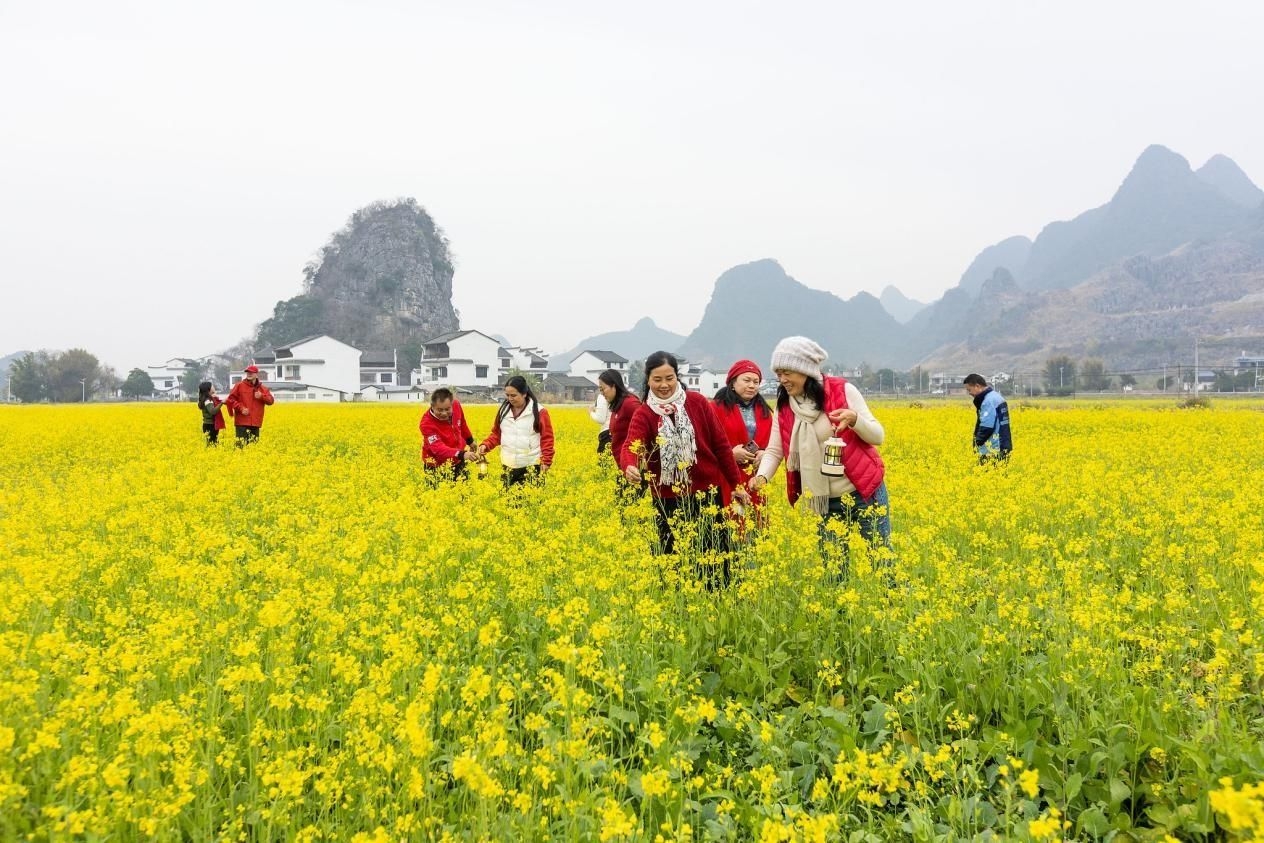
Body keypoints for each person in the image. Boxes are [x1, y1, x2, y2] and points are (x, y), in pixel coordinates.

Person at [750, 337, 891, 558]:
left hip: (863, 492)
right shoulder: (785, 407)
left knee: (880, 560)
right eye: (778, 373)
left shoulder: (843, 390)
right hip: (825, 500)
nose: (782, 379)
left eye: (787, 372)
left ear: (805, 370)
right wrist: (762, 477)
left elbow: (878, 436)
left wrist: (855, 420)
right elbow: (775, 451)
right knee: (833, 569)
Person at [620, 352, 750, 588]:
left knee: (714, 560)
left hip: (706, 495)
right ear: (648, 380)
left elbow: (721, 446)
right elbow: (631, 444)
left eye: (669, 378)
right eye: (657, 379)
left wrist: (736, 485)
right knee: (672, 565)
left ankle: (718, 600)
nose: (664, 385)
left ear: (677, 377)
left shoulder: (697, 403)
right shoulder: (644, 413)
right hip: (667, 500)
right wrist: (629, 465)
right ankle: (679, 604)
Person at [712, 359, 774, 526]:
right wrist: (730, 455)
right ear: (732, 383)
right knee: (734, 522)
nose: (752, 385)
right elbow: (705, 443)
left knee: (756, 524)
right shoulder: (716, 408)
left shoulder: (765, 411)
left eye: (756, 382)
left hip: (754, 477)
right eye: (746, 380)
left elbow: (773, 444)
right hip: (726, 477)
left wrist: (764, 454)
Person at [477, 376, 554, 487]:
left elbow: (547, 438)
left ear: (524, 394)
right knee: (507, 497)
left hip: (531, 465)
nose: (510, 399)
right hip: (508, 465)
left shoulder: (539, 412)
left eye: (513, 395)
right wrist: (486, 445)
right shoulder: (503, 411)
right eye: (507, 395)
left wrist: (546, 461)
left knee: (529, 497)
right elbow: (497, 434)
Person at [597, 368, 644, 503]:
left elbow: (645, 424)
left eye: (603, 389)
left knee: (630, 508)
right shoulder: (618, 405)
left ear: (614, 386)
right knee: (622, 507)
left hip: (634, 469)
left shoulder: (629, 403)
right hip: (624, 467)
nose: (602, 393)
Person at [420, 387, 479, 480]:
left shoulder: (456, 405)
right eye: (440, 410)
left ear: (452, 404)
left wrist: (470, 441)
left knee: (466, 487)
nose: (444, 413)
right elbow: (438, 449)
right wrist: (462, 454)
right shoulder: (426, 424)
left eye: (447, 409)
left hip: (458, 460)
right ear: (432, 406)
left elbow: (462, 423)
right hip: (436, 466)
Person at [963, 373, 1012, 463]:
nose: (969, 393)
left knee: (988, 471)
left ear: (977, 386)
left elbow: (987, 427)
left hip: (992, 449)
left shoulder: (988, 401)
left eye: (969, 390)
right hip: (1003, 445)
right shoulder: (997, 397)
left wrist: (977, 443)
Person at [225, 365, 275, 446]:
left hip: (255, 423)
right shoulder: (239, 386)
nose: (249, 374)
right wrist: (241, 408)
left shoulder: (263, 389)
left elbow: (271, 401)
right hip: (242, 422)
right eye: (248, 372)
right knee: (240, 447)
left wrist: (262, 396)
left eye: (251, 372)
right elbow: (230, 400)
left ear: (256, 374)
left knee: (253, 448)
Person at [197, 381, 226, 445]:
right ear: (208, 389)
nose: (213, 387)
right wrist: (221, 403)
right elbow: (213, 411)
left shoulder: (208, 399)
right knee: (212, 443)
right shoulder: (207, 400)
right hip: (210, 426)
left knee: (212, 443)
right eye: (212, 386)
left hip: (208, 425)